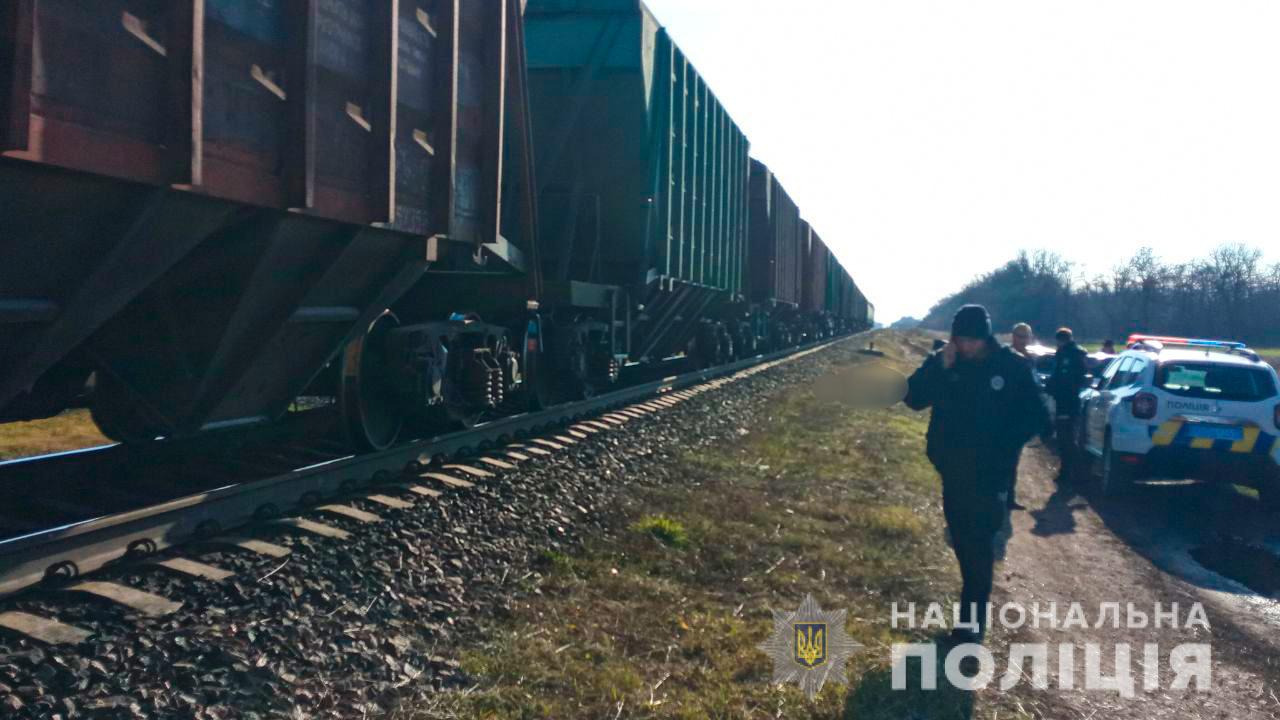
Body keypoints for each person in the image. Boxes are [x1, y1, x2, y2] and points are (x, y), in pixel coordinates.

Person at [903, 305, 1048, 643]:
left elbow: (1038, 417)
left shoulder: (1010, 367)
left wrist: (1003, 446)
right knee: (963, 545)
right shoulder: (945, 361)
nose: (966, 346)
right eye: (960, 339)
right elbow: (912, 397)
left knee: (979, 547)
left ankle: (971, 629)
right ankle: (969, 622)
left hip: (989, 474)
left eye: (973, 340)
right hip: (953, 471)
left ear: (985, 338)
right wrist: (940, 366)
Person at [1046, 328, 1088, 480]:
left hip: (1065, 401)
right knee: (1068, 437)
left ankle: (1075, 473)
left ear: (1060, 340)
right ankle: (1070, 473)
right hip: (1071, 400)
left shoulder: (1067, 354)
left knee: (1066, 439)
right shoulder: (1078, 353)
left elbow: (1061, 377)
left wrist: (1050, 387)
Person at [1005, 323, 1038, 510]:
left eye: (1025, 336)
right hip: (1002, 415)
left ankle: (1009, 497)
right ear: (1013, 336)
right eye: (1019, 336)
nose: (1021, 340)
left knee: (1014, 459)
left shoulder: (1029, 360)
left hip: (1019, 417)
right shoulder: (1004, 357)